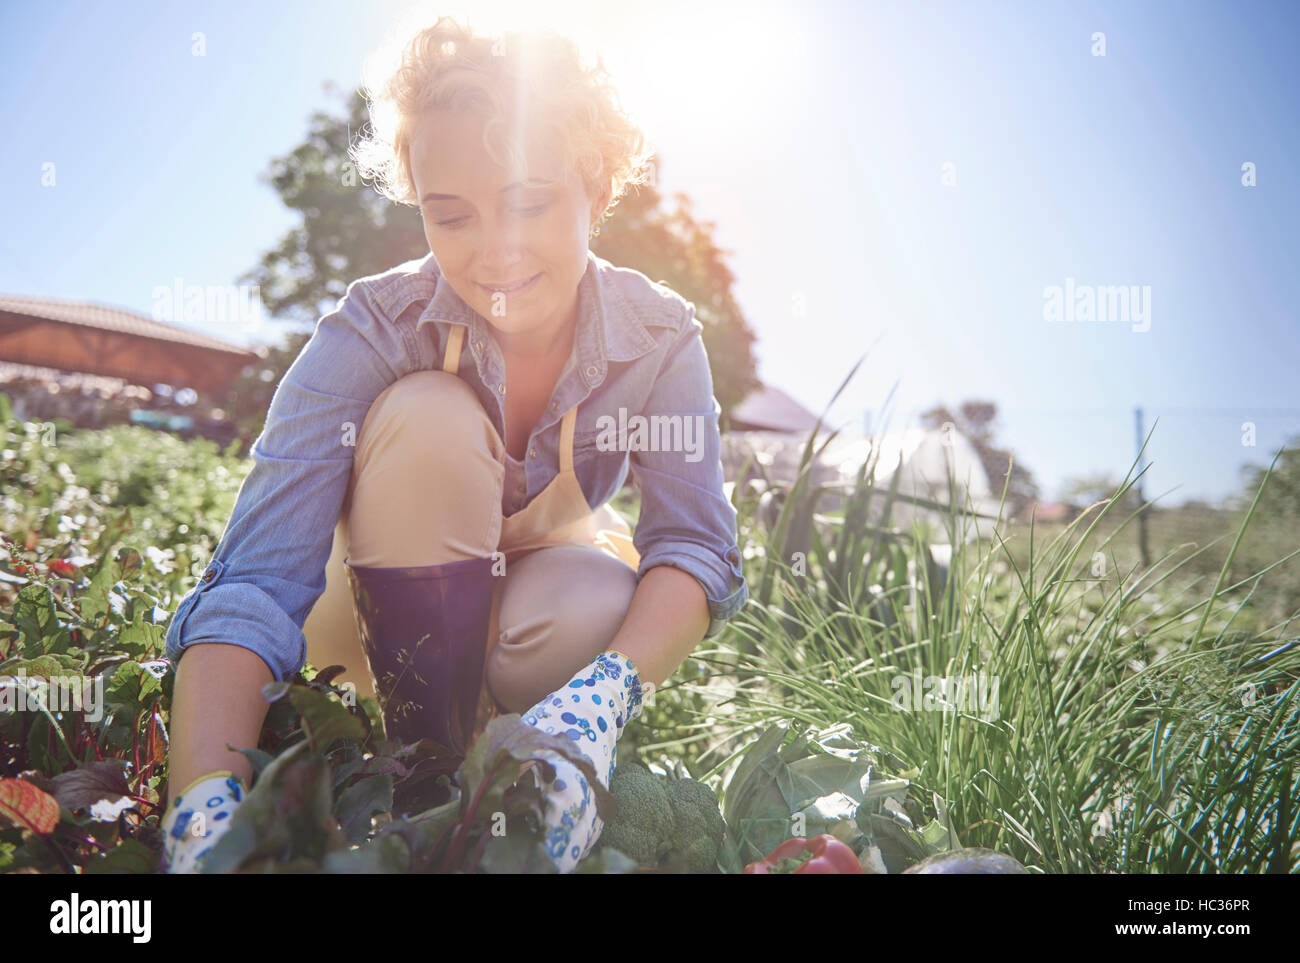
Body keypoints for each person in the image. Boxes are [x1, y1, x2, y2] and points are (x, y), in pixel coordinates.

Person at [159, 16, 749, 873]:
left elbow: (697, 542)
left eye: (529, 201)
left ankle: (524, 744)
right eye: (453, 215)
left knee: (597, 597)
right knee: (431, 415)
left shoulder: (658, 338)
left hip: (525, 617)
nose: (495, 251)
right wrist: (201, 812)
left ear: (595, 179)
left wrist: (604, 695)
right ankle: (418, 765)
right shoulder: (371, 328)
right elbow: (253, 579)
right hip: (351, 629)